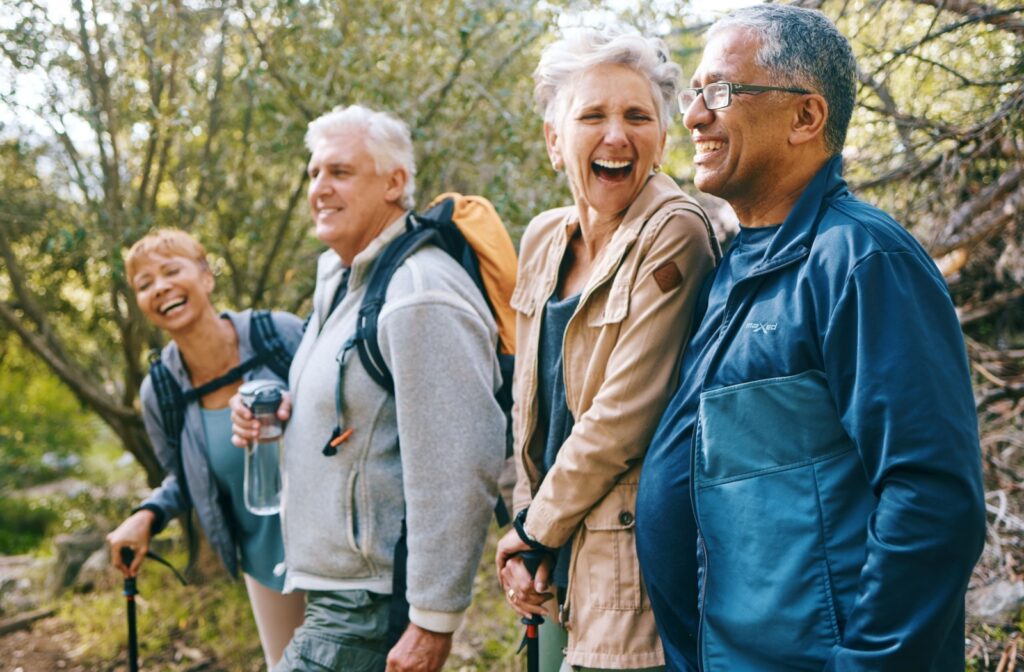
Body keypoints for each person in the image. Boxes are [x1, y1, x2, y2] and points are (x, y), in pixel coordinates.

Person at [635, 5, 987, 671]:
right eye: (694, 92)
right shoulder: (735, 264)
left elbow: (933, 498)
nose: (694, 117)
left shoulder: (860, 261)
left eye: (722, 92)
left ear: (806, 118)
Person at [230, 104, 506, 672]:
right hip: (332, 590)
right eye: (313, 174)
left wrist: (432, 621)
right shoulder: (344, 277)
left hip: (369, 604)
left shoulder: (418, 291)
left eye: (340, 172)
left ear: (395, 183)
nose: (320, 189)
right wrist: (285, 413)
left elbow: (461, 461)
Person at [494, 29, 718, 672]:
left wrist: (533, 530)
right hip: (550, 553)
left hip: (627, 571)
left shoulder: (675, 231)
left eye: (637, 116)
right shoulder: (541, 238)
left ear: (663, 139)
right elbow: (528, 406)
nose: (616, 136)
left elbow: (624, 418)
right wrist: (528, 537)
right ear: (553, 140)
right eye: (592, 115)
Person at [106, 229, 306, 669]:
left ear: (206, 277)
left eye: (171, 271)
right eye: (145, 284)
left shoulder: (279, 334)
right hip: (265, 564)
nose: (160, 287)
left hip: (339, 545)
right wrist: (147, 515)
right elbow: (184, 477)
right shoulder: (161, 390)